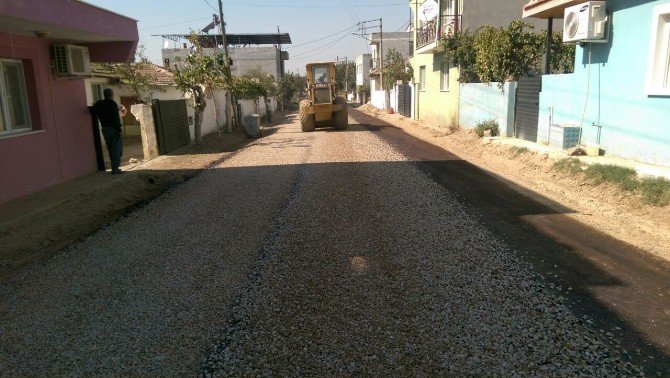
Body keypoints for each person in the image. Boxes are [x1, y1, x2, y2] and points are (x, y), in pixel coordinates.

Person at [93, 88, 125, 174]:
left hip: (105, 129)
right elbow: (115, 118)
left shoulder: (99, 104)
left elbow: (93, 110)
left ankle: (114, 167)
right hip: (113, 129)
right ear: (112, 95)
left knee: (111, 147)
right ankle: (115, 168)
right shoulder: (112, 104)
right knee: (117, 148)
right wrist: (119, 129)